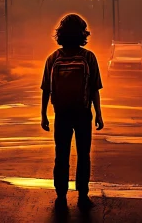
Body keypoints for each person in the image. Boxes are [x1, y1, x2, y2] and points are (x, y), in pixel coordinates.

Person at [40, 14, 104, 210]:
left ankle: (61, 196)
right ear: (82, 34)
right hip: (83, 113)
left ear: (61, 34)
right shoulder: (89, 57)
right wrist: (99, 114)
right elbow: (94, 89)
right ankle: (83, 196)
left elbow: (46, 89)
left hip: (61, 114)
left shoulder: (53, 58)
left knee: (61, 155)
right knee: (83, 155)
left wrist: (43, 115)